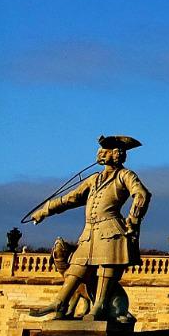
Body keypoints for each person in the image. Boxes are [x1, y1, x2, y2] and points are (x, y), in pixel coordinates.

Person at [25, 135, 152, 323]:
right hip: (90, 232)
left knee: (107, 269)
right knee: (76, 267)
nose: (100, 154)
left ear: (116, 154)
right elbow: (71, 198)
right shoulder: (94, 179)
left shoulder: (125, 175)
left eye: (105, 151)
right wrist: (45, 210)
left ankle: (100, 305)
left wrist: (133, 219)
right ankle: (60, 302)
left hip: (111, 230)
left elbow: (142, 194)